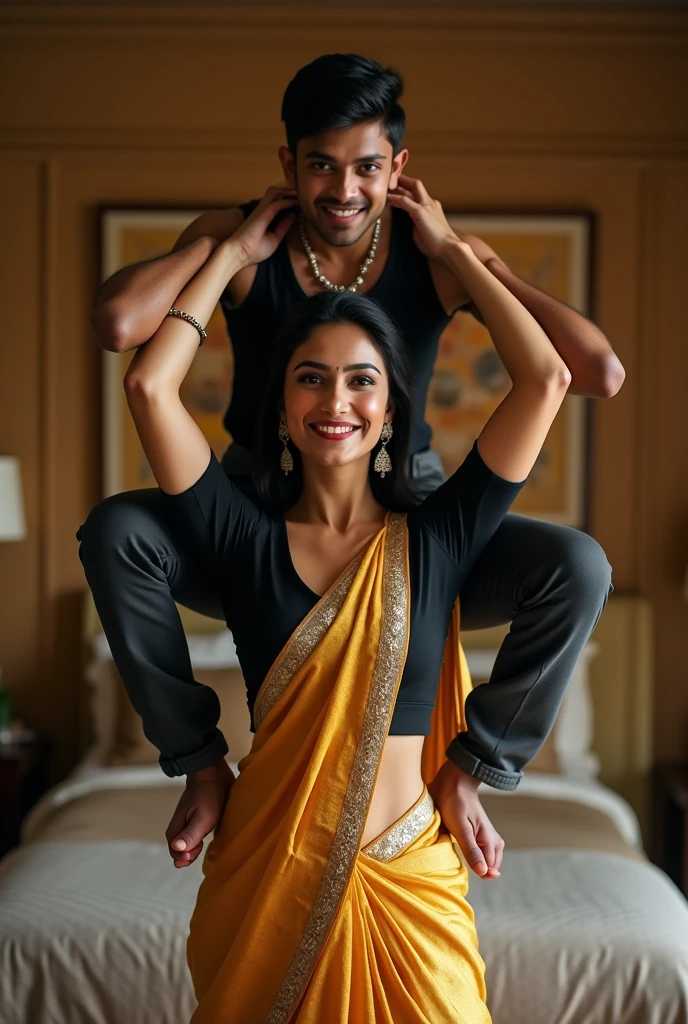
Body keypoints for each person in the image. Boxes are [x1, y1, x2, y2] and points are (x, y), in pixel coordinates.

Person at [80, 53, 622, 870]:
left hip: (408, 516)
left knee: (576, 565)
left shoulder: (434, 255)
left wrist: (459, 251)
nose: (342, 190)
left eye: (367, 167)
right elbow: (123, 326)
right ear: (287, 166)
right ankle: (198, 765)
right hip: (253, 512)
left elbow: (595, 372)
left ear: (398, 168)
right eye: (320, 166)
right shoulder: (241, 242)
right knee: (118, 529)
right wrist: (227, 249)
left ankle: (475, 771)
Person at [119, 183, 572, 1018]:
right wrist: (228, 257)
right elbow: (150, 388)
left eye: (362, 381)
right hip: (269, 876)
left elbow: (546, 377)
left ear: (392, 409)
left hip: (410, 889)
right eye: (310, 380)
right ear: (282, 410)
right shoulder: (239, 541)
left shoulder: (435, 543)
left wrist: (453, 255)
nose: (335, 402)